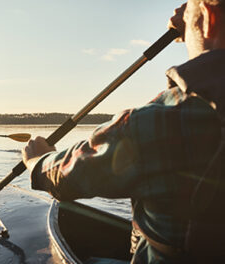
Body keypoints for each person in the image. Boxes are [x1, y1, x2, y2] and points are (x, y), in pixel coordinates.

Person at [22, 1, 225, 263]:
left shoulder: (159, 122)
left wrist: (38, 161)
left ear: (209, 17)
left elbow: (67, 176)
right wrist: (196, 24)